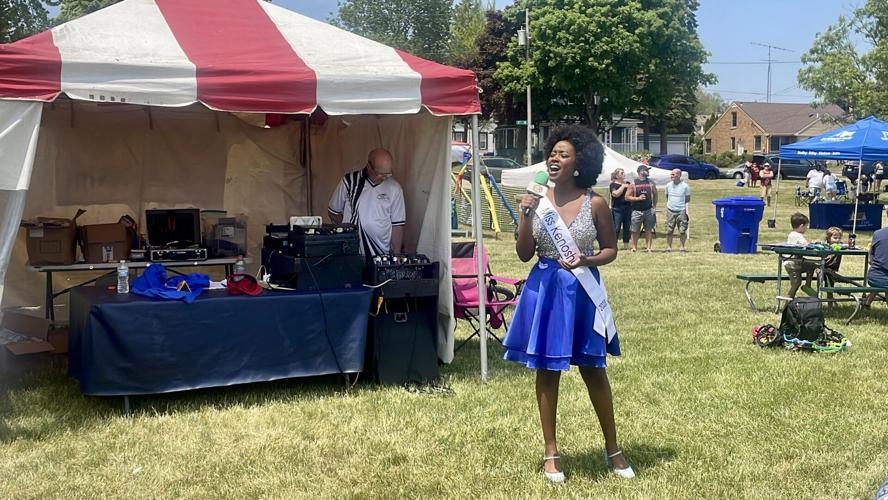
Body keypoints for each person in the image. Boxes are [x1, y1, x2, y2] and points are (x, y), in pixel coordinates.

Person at [508, 124, 633, 483]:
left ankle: (613, 449)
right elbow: (523, 254)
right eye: (552, 153)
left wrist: (586, 261)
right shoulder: (537, 199)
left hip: (582, 291)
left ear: (580, 162)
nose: (554, 158)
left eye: (563, 154)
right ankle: (551, 453)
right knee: (547, 371)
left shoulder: (595, 202)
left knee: (594, 369)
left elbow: (611, 250)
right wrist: (525, 215)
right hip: (545, 290)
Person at [327, 148, 405, 257]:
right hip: (352, 252)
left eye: (388, 174)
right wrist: (347, 228)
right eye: (380, 174)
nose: (384, 178)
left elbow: (397, 225)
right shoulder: (349, 182)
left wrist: (396, 255)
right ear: (369, 167)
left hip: (382, 254)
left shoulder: (395, 189)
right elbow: (333, 212)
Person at [784, 213, 818, 299]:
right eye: (806, 226)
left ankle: (790, 300)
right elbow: (805, 245)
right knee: (811, 266)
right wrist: (812, 243)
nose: (806, 228)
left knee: (797, 283)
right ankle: (807, 286)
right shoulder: (798, 235)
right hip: (794, 262)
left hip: (789, 262)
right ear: (801, 226)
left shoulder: (791, 234)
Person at [626, 164, 658, 253]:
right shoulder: (633, 184)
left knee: (648, 229)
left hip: (648, 210)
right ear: (640, 172)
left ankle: (649, 248)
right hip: (636, 210)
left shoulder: (651, 183)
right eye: (646, 170)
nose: (648, 172)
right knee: (634, 230)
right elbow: (627, 197)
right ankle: (634, 247)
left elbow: (655, 194)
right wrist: (637, 198)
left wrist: (654, 206)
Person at [664, 169, 690, 252]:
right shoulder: (668, 185)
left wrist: (680, 204)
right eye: (671, 174)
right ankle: (669, 247)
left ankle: (682, 247)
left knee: (682, 230)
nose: (671, 176)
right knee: (669, 230)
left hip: (681, 210)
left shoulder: (685, 186)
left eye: (673, 174)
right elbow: (667, 196)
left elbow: (687, 198)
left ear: (679, 175)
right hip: (670, 210)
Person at [863, 222, 888, 307]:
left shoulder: (877, 233)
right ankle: (866, 304)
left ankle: (866, 304)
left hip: (875, 277)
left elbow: (870, 260)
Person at [609, 168, 632, 250]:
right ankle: (614, 245)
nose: (623, 174)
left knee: (627, 227)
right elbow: (615, 194)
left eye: (624, 172)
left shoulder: (628, 183)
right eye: (622, 173)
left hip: (628, 208)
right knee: (616, 227)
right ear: (617, 175)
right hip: (617, 209)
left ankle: (626, 245)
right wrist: (622, 186)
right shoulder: (613, 185)